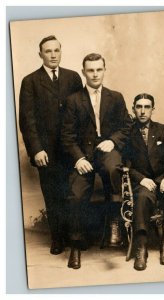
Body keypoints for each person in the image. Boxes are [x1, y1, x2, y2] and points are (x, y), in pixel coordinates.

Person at [61, 53, 132, 269]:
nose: (95, 74)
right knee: (76, 193)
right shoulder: (73, 100)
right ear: (83, 72)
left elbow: (127, 126)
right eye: (90, 70)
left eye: (99, 69)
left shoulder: (116, 97)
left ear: (104, 70)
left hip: (107, 152)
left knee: (113, 170)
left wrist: (113, 141)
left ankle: (114, 223)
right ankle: (75, 244)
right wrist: (79, 158)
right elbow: (67, 136)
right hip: (84, 155)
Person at [19, 35, 83, 255]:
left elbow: (81, 113)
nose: (53, 55)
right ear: (40, 55)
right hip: (46, 152)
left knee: (74, 193)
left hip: (71, 149)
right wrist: (36, 149)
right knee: (53, 195)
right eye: (48, 51)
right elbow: (27, 120)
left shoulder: (73, 77)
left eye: (57, 50)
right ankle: (57, 239)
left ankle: (74, 237)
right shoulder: (30, 81)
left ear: (61, 52)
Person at [126, 93, 164, 271]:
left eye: (147, 107)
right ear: (133, 109)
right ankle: (141, 247)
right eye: (139, 106)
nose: (142, 111)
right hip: (143, 182)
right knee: (142, 198)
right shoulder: (127, 134)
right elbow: (125, 165)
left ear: (153, 109)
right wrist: (141, 179)